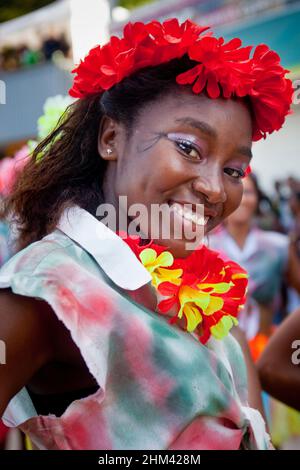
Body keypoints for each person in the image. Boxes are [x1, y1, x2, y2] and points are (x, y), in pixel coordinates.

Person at [0, 18, 292, 450]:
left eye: (233, 170)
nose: (215, 188)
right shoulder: (48, 286)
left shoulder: (208, 302)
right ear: (111, 137)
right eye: (188, 147)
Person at [209, 173, 300, 353]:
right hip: (219, 353)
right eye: (235, 190)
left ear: (257, 198)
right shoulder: (205, 246)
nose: (242, 199)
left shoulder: (278, 246)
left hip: (265, 350)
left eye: (248, 192)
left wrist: (289, 338)